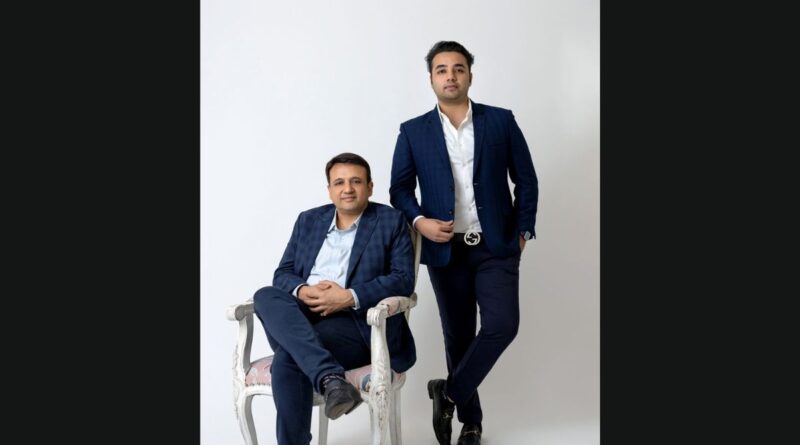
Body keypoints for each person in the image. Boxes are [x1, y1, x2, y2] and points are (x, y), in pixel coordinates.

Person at [389, 41, 538, 445]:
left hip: (496, 246)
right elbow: (399, 189)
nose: (450, 76)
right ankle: (471, 423)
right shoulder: (413, 131)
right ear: (431, 79)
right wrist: (420, 222)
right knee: (458, 337)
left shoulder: (500, 121)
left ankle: (448, 392)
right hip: (445, 250)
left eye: (458, 68)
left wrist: (523, 231)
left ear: (470, 75)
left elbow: (526, 180)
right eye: (442, 70)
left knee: (502, 326)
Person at [253, 152, 416, 445]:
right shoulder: (308, 220)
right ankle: (331, 378)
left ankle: (325, 381)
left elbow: (403, 279)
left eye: (356, 181)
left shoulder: (390, 221)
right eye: (339, 182)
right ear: (329, 189)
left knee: (289, 357)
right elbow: (283, 273)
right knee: (265, 295)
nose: (347, 189)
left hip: (357, 324)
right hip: (303, 316)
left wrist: (349, 296)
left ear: (370, 187)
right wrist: (304, 290)